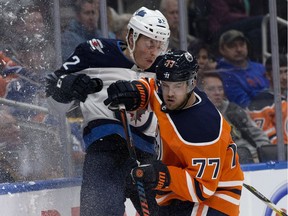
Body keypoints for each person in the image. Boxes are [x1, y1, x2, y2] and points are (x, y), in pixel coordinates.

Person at [45, 6, 170, 216]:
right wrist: (67, 89)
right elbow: (54, 101)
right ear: (132, 36)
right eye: (149, 43)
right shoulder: (95, 51)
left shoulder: (165, 67)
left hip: (148, 158)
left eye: (160, 45)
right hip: (105, 152)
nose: (153, 52)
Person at [105, 50, 244, 215]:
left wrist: (162, 174)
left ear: (192, 84)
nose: (170, 93)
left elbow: (202, 189)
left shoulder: (202, 127)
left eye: (177, 86)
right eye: (165, 85)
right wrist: (135, 92)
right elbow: (152, 90)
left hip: (213, 199)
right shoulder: (173, 95)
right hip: (178, 194)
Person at [201, 72, 270, 163]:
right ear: (200, 92)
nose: (217, 93)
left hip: (250, 157)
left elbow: (259, 135)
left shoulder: (234, 110)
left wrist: (263, 154)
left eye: (220, 89)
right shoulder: (195, 116)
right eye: (211, 89)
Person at [216, 29, 269, 108]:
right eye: (232, 46)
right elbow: (245, 105)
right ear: (222, 50)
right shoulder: (223, 75)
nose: (239, 49)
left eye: (242, 44)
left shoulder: (260, 67)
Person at [247, 55, 288, 145]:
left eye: (286, 71)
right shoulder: (262, 101)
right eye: (279, 73)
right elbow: (265, 136)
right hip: (281, 154)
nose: (284, 77)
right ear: (268, 76)